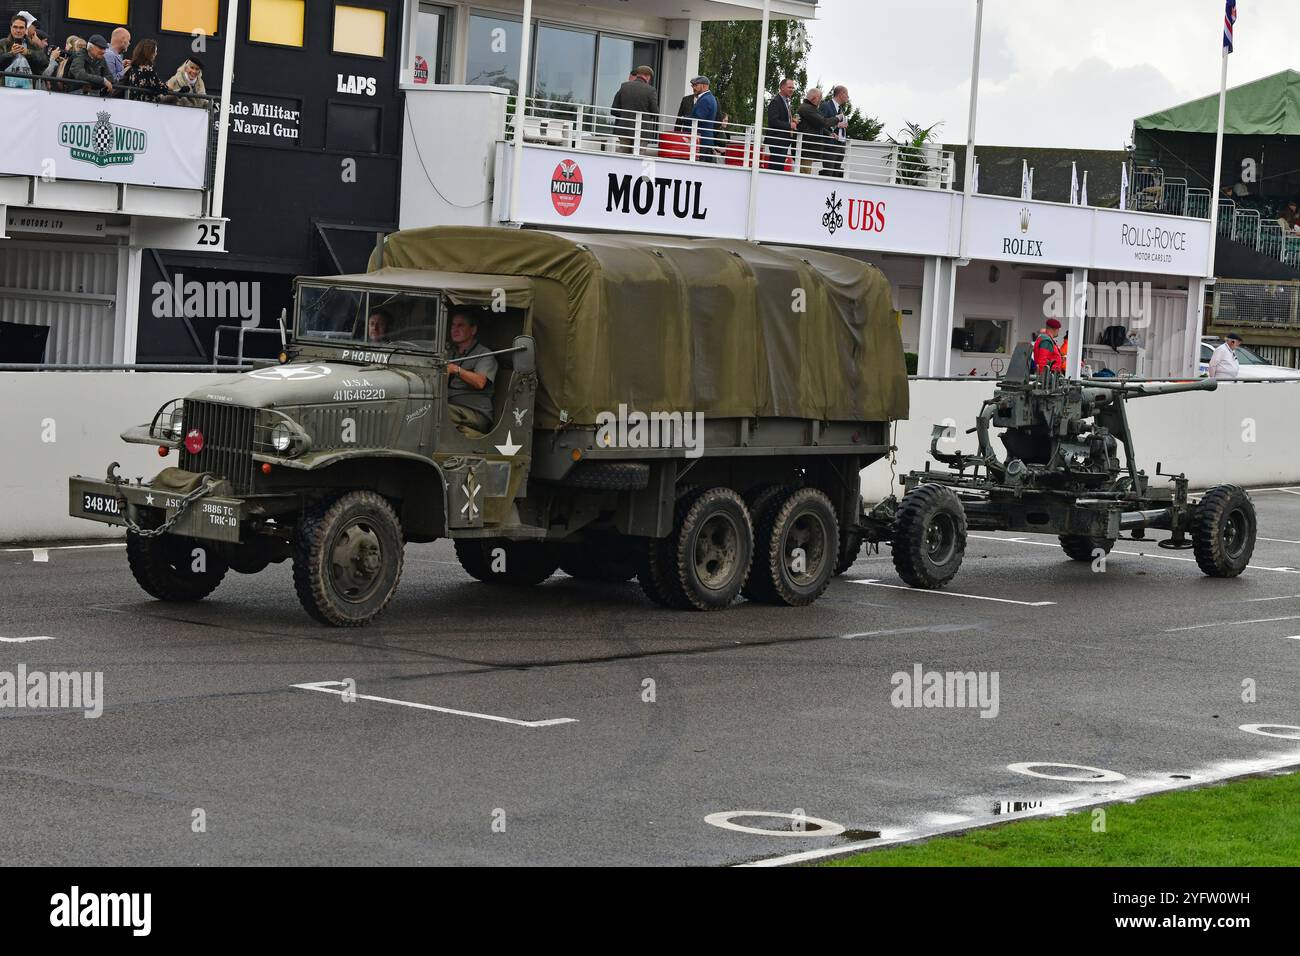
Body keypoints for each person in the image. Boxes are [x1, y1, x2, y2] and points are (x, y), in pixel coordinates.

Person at [446, 311, 497, 434]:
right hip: (453, 407)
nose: (455, 329)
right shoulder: (450, 352)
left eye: (460, 325)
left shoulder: (484, 354)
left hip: (475, 413)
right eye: (453, 325)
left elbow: (480, 382)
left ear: (473, 330)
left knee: (436, 410)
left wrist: (456, 369)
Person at [610, 64, 659, 154]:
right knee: (638, 158)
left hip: (624, 128)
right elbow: (655, 111)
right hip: (642, 131)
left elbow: (614, 108)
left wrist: (626, 115)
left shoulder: (624, 86)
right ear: (647, 76)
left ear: (637, 74)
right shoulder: (650, 90)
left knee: (623, 156)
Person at [796, 88, 835, 175]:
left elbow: (816, 124)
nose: (820, 101)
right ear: (814, 98)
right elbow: (823, 122)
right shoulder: (807, 108)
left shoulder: (807, 108)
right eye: (820, 98)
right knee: (804, 175)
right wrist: (838, 118)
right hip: (806, 149)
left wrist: (828, 133)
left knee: (805, 173)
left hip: (807, 148)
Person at [764, 78, 798, 170]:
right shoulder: (776, 101)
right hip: (777, 140)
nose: (792, 90)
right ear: (782, 87)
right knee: (776, 167)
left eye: (793, 88)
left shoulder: (785, 101)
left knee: (779, 167)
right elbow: (773, 121)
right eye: (789, 87)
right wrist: (789, 125)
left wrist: (792, 120)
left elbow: (781, 118)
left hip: (783, 141)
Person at [818, 85, 850, 177]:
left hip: (840, 146)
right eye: (847, 95)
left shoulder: (841, 109)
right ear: (841, 94)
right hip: (830, 146)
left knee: (836, 174)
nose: (847, 97)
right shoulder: (825, 106)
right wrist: (836, 125)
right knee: (828, 173)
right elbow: (820, 124)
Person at [688, 75, 719, 162]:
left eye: (696, 85)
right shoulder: (709, 98)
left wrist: (684, 118)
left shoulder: (705, 99)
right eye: (692, 85)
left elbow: (699, 118)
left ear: (704, 86)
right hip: (705, 140)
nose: (693, 88)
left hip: (702, 141)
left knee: (698, 171)